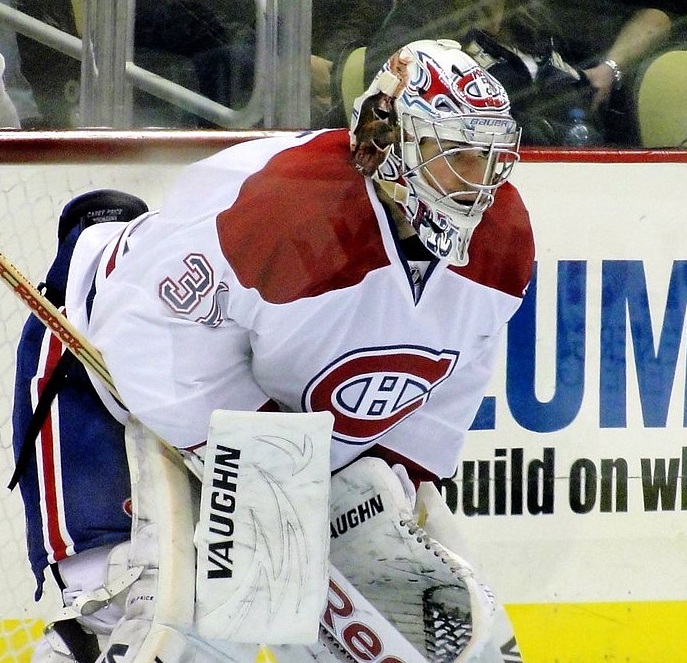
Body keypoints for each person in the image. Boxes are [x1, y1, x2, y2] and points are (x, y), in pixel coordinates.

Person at [13, 39, 534, 661]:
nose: (480, 184)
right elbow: (147, 339)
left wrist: (377, 490)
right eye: (455, 157)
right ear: (386, 141)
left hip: (281, 446)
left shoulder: (501, 242)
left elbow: (452, 374)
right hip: (106, 384)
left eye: (490, 158)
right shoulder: (280, 209)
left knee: (411, 630)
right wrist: (275, 472)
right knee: (157, 617)